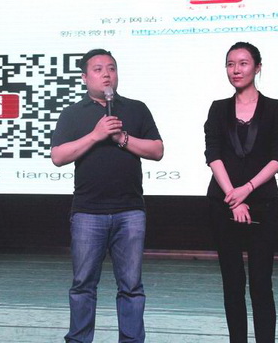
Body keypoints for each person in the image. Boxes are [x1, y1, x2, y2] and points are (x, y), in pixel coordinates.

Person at [51, 49, 164, 343]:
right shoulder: (73, 113)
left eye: (111, 68)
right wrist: (96, 135)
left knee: (131, 287)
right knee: (83, 285)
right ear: (84, 77)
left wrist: (121, 138)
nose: (106, 74)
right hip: (88, 212)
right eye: (98, 69)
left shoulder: (136, 109)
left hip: (130, 210)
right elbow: (58, 156)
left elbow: (157, 150)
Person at [204, 42, 278, 343]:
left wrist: (248, 189)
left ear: (257, 67)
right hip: (223, 203)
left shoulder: (275, 108)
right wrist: (233, 196)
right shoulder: (218, 108)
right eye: (230, 64)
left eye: (243, 63)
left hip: (263, 204)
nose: (236, 70)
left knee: (261, 284)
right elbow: (212, 154)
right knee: (232, 284)